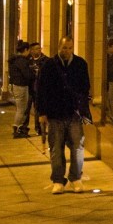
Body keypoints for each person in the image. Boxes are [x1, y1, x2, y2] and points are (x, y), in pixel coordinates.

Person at [36, 36, 91, 194]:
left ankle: (75, 177)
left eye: (70, 48)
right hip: (55, 113)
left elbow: (85, 87)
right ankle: (58, 180)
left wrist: (81, 105)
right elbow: (41, 90)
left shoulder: (80, 64)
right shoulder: (49, 65)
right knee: (56, 148)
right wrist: (42, 112)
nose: (67, 51)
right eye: (64, 48)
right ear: (59, 47)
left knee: (77, 147)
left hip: (74, 113)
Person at [8, 40, 37, 138]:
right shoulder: (22, 61)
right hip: (21, 86)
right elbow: (27, 75)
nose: (29, 52)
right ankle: (17, 129)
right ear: (25, 50)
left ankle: (19, 128)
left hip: (17, 85)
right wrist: (34, 74)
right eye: (29, 50)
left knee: (21, 109)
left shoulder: (15, 60)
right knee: (21, 109)